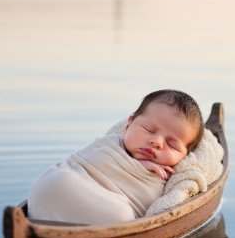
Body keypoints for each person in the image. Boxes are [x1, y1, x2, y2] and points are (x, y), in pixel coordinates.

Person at [27, 89, 205, 225]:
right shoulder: (110, 144)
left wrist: (141, 171)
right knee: (61, 177)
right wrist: (135, 163)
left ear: (184, 156)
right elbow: (81, 163)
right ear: (129, 124)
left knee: (121, 215)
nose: (157, 142)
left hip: (105, 214)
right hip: (58, 189)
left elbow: (149, 206)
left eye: (172, 144)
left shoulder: (169, 178)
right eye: (149, 130)